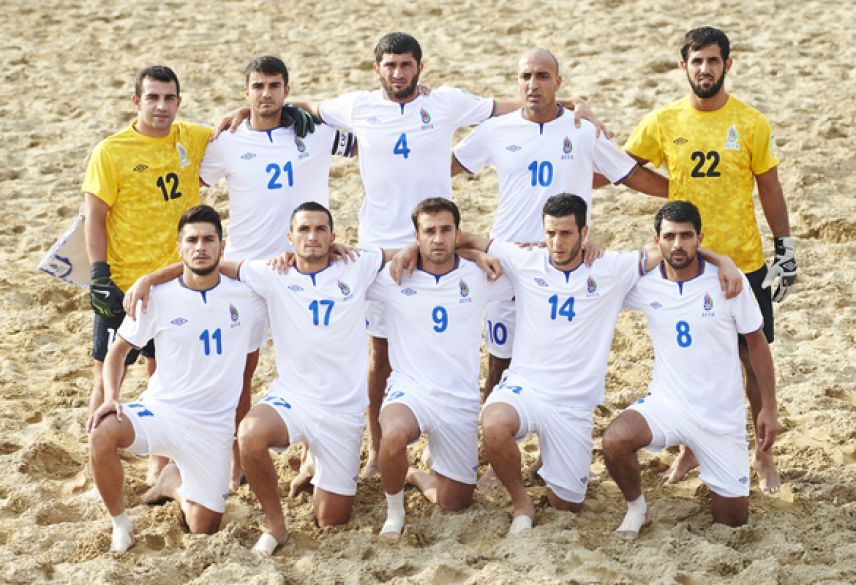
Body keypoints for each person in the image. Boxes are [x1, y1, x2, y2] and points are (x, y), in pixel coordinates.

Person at [223, 32, 605, 478]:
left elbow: (513, 106)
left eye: (406, 64)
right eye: (390, 65)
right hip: (379, 247)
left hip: (435, 241)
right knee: (378, 354)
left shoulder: (445, 102)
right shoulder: (357, 106)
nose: (398, 72)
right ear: (377, 69)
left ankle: (455, 437)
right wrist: (244, 112)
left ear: (420, 68)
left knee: (450, 342)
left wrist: (571, 104)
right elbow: (304, 107)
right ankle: (375, 447)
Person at [456, 194, 742, 535]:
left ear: (584, 233)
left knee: (567, 504)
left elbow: (675, 250)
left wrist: (723, 260)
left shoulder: (611, 268)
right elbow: (456, 239)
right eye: (550, 233)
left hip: (573, 407)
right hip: (526, 387)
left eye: (566, 233)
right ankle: (521, 502)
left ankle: (549, 464)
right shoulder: (525, 259)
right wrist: (473, 254)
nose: (556, 243)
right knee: (493, 421)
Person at [451, 48, 668, 454]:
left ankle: (551, 448)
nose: (533, 84)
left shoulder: (582, 130)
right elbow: (445, 168)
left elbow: (627, 174)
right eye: (526, 76)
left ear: (558, 81)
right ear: (517, 81)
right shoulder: (495, 130)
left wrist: (684, 192)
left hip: (566, 259)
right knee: (499, 360)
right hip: (507, 260)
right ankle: (491, 452)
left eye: (542, 76)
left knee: (559, 360)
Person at [624, 27, 794, 493]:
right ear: (684, 66)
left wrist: (785, 246)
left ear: (727, 65)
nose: (705, 69)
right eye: (696, 61)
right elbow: (624, 168)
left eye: (713, 60)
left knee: (751, 358)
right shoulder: (664, 121)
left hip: (744, 260)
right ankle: (690, 446)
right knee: (691, 357)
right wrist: (675, 188)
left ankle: (763, 454)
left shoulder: (751, 122)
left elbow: (770, 187)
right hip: (686, 261)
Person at [199, 55, 356, 490]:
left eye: (274, 86)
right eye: (257, 86)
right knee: (240, 371)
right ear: (245, 91)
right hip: (247, 270)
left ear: (287, 89)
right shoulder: (228, 141)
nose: (265, 94)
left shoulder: (315, 131)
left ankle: (313, 454)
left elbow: (372, 137)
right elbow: (194, 182)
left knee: (315, 362)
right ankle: (236, 460)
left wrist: (303, 107)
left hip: (306, 267)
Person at [86, 205, 265, 552]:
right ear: (179, 248)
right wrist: (111, 397)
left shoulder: (248, 296)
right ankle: (121, 526)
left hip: (213, 427)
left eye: (208, 240)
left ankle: (172, 483)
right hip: (163, 412)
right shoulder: (158, 297)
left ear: (222, 246)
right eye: (192, 240)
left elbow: (299, 270)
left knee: (203, 527)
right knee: (101, 431)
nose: (200, 247)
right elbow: (116, 353)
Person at [603, 201, 777, 539]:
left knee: (732, 521)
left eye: (686, 236)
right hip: (667, 404)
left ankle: (707, 455)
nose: (678, 244)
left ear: (700, 238)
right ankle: (637, 508)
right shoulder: (644, 283)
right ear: (657, 241)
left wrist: (769, 407)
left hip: (720, 417)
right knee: (614, 440)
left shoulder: (728, 281)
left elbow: (757, 344)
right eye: (669, 237)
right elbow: (596, 276)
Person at [367, 198, 512, 538]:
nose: (438, 238)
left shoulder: (480, 274)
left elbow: (536, 267)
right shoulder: (393, 276)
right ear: (415, 237)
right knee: (393, 433)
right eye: (429, 231)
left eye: (446, 230)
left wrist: (474, 253)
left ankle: (414, 474)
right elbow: (341, 268)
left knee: (455, 502)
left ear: (458, 234)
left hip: (458, 399)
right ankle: (394, 513)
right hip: (410, 391)